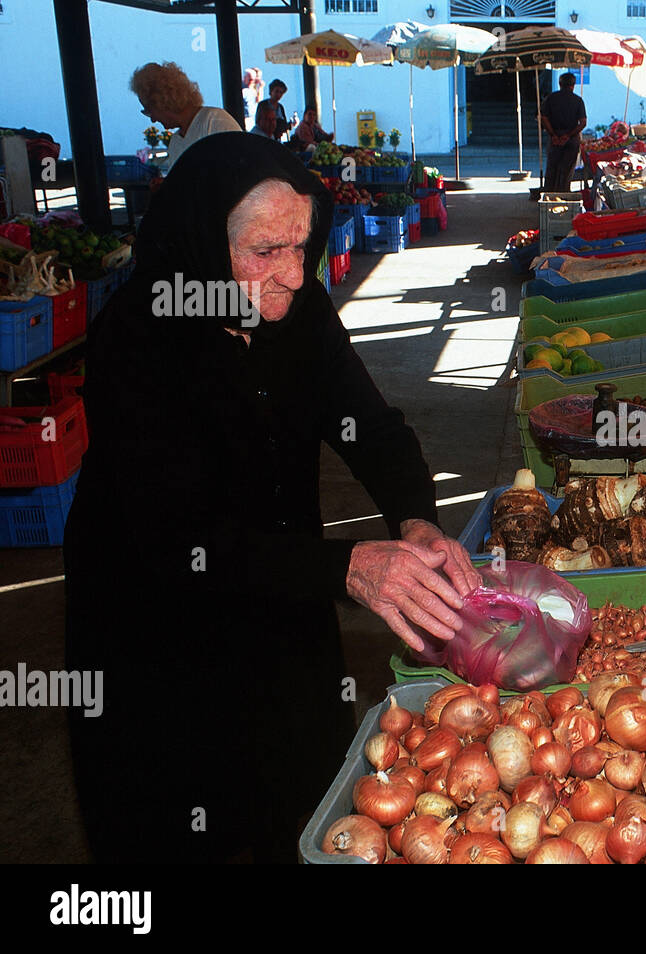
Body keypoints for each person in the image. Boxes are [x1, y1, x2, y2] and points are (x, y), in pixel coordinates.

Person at [63, 132, 481, 863]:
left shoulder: (299, 307)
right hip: (159, 626)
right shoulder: (136, 342)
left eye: (303, 244)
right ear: (200, 243)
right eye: (265, 252)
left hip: (282, 596)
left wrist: (413, 520)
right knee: (191, 819)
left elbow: (374, 428)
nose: (292, 274)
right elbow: (178, 536)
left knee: (303, 795)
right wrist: (346, 567)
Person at [130, 61, 243, 173]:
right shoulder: (175, 142)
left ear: (161, 102)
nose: (153, 119)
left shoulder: (214, 121)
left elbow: (239, 171)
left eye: (149, 111)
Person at [538, 72, 586, 193]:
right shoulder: (578, 100)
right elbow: (583, 122)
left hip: (554, 138)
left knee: (552, 169)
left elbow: (543, 118)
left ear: (560, 84)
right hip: (571, 139)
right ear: (573, 85)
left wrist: (553, 135)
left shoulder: (551, 98)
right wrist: (568, 135)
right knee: (567, 171)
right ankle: (564, 196)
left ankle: (549, 197)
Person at [241, 68, 263, 132]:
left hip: (252, 120)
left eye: (253, 80)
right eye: (250, 80)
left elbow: (258, 101)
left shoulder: (252, 89)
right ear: (244, 78)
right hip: (245, 119)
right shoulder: (243, 91)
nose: (252, 82)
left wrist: (260, 87)